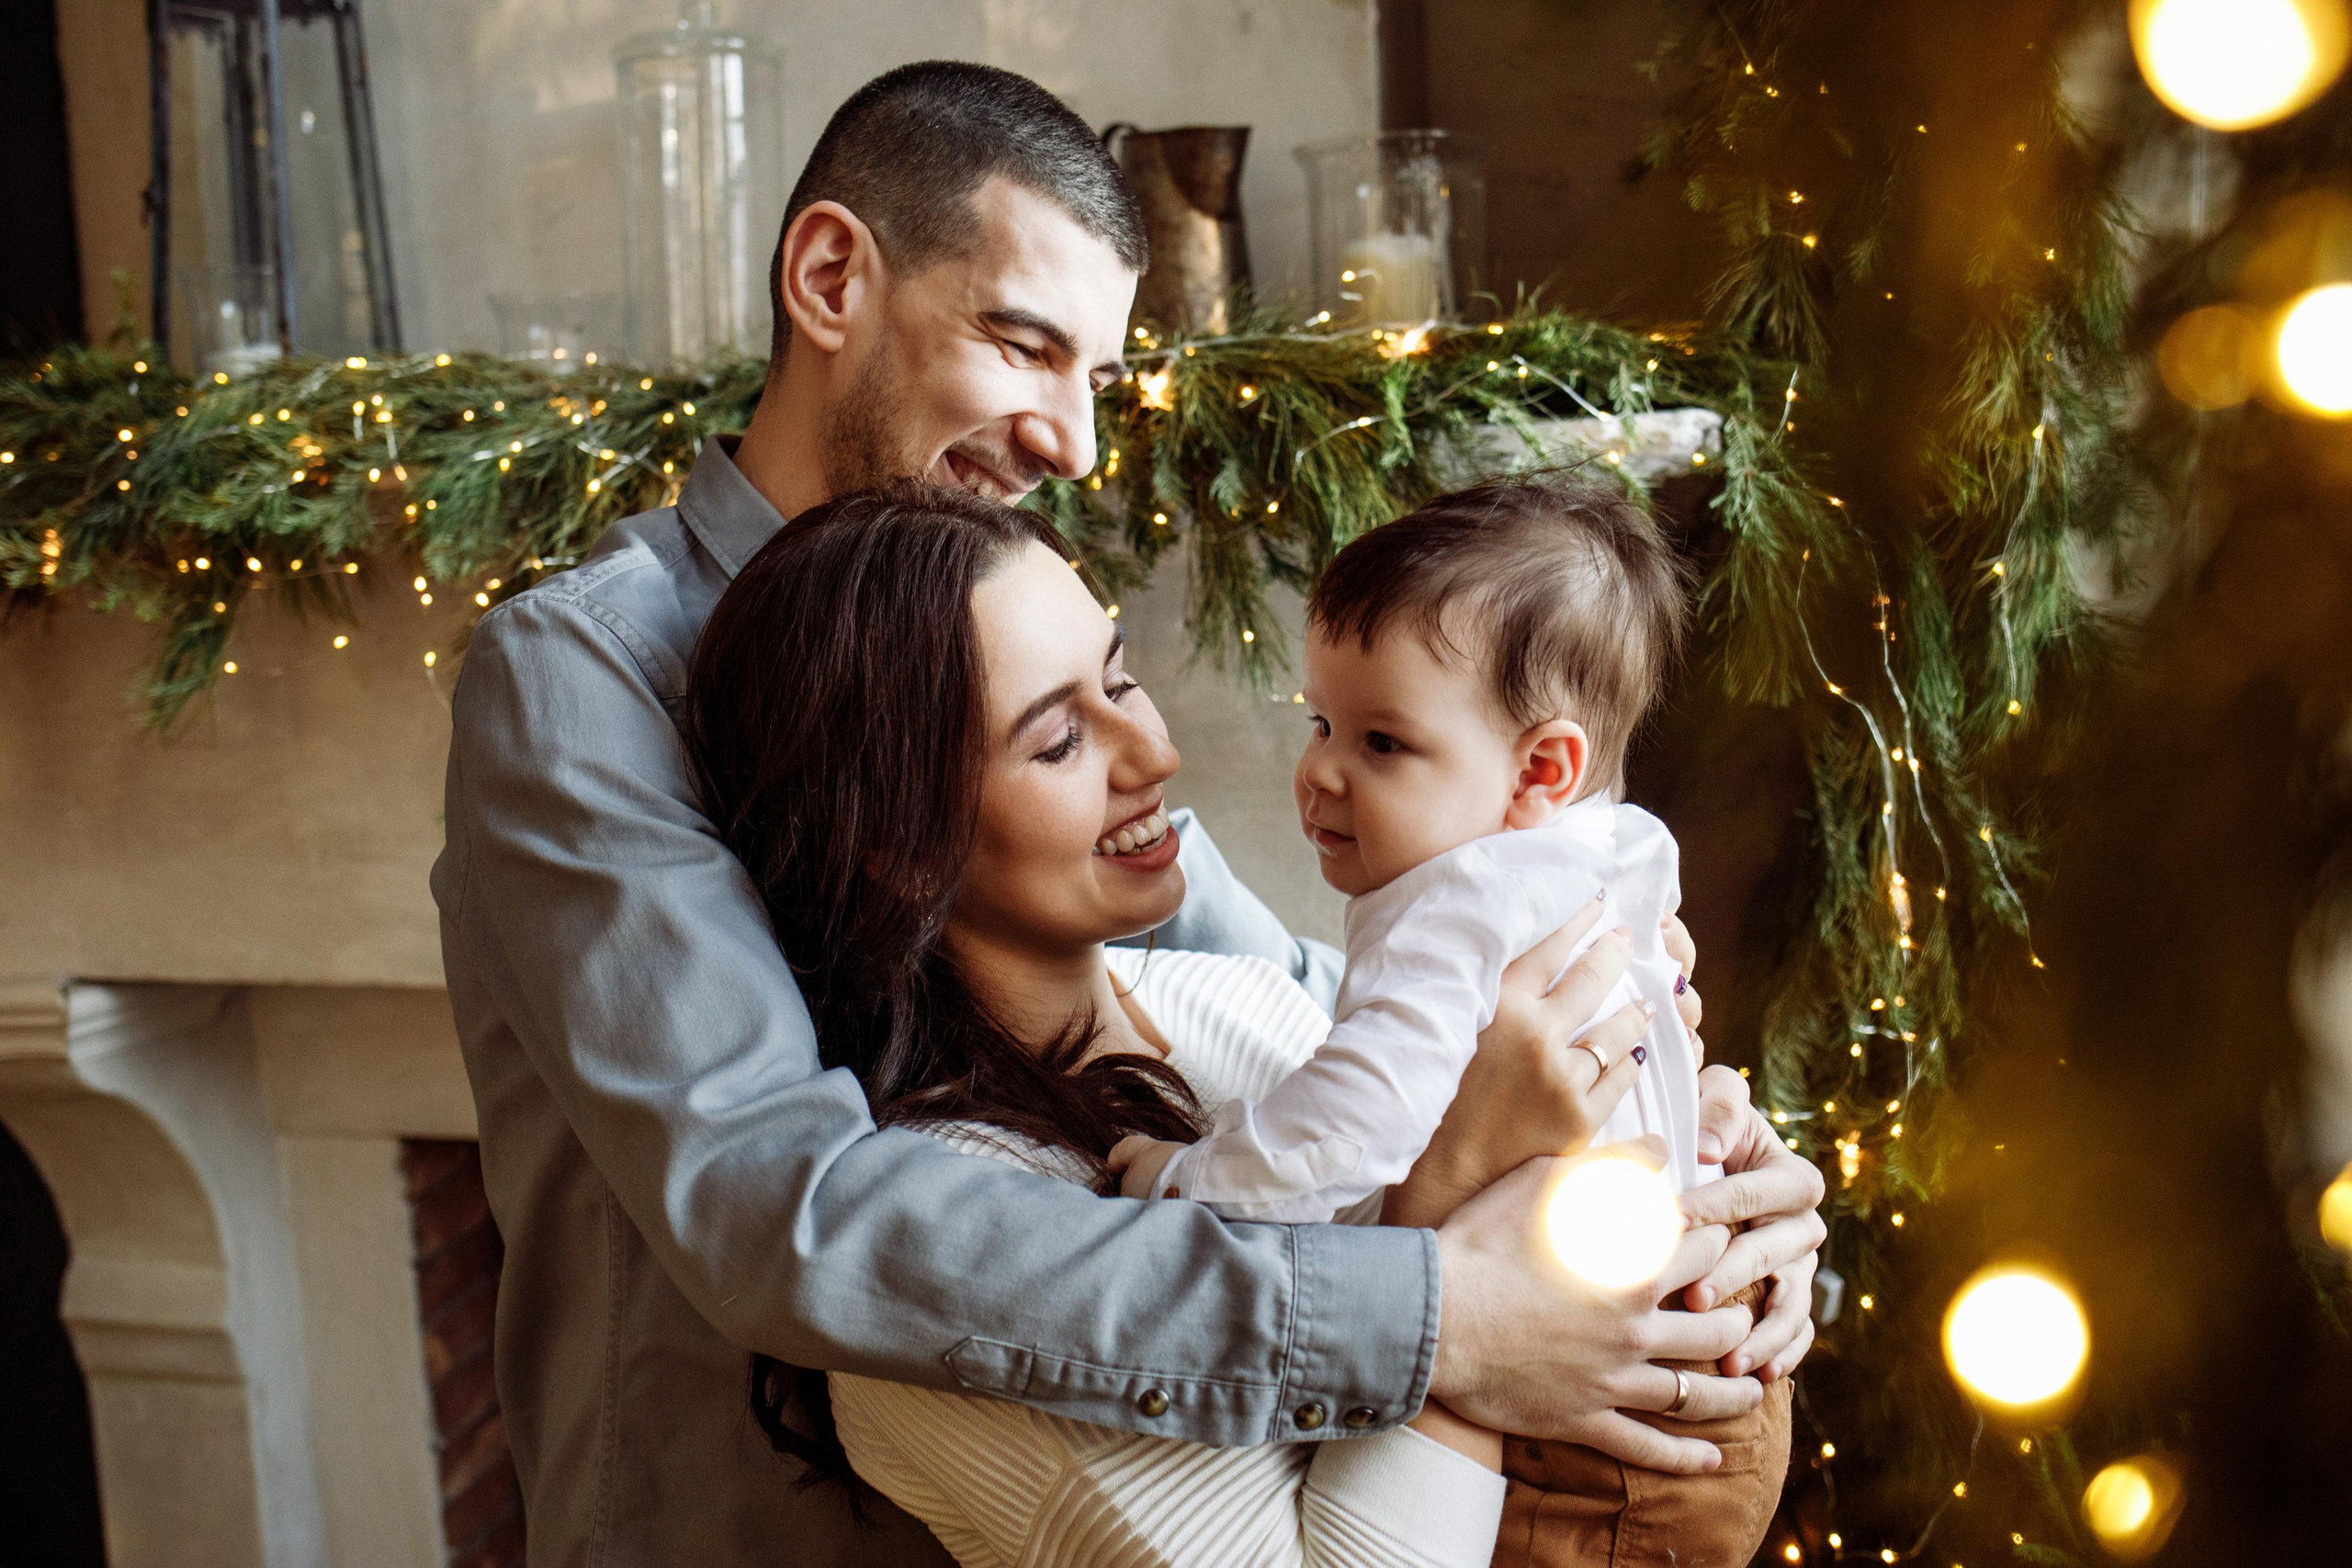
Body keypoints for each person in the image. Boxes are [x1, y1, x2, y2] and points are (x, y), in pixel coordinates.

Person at [432, 59, 1825, 1566]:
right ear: (832, 276)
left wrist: (1704, 1170)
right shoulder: (584, 668)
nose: (1077, 447)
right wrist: (1448, 1316)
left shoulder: (1005, 624)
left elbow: (1319, 999)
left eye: (1097, 373)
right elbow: (781, 1205)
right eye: (1026, 346)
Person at [683, 480, 1732, 1565]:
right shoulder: (964, 1266)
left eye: (1122, 680)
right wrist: (1466, 1304)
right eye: (1058, 744)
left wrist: (1719, 1176)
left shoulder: (1244, 1000)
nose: (1152, 757)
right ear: (898, 845)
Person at [1110, 476, 1792, 1566]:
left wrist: (1178, 1180)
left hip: (1608, 1432)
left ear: (1539, 769)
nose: (1320, 771)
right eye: (1322, 722)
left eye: (1383, 744)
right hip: (1690, 1354)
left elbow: (1345, 1131)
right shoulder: (1606, 846)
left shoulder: (1459, 904)